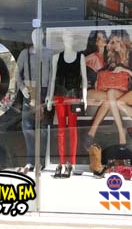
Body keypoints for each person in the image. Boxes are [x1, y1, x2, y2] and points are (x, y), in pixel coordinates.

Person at [86, 29, 132, 147]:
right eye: (113, 42)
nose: (115, 45)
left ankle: (120, 133)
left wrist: (125, 70)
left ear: (124, 41)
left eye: (118, 41)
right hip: (126, 89)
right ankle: (118, 131)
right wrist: (99, 77)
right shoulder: (114, 56)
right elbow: (107, 72)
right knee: (111, 96)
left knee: (113, 100)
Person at [46, 31, 87, 178]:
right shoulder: (56, 57)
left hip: (74, 97)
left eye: (70, 37)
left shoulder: (80, 57)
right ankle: (62, 162)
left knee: (72, 130)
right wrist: (50, 97)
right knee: (61, 130)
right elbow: (52, 79)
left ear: (73, 40)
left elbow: (84, 79)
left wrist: (85, 97)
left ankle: (72, 162)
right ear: (62, 40)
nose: (67, 40)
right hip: (59, 97)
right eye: (65, 38)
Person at [16, 28, 52, 173]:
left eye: (39, 35)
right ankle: (30, 160)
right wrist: (22, 88)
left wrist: (49, 94)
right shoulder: (24, 54)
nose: (36, 38)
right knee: (27, 126)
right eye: (33, 35)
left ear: (43, 36)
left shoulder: (49, 53)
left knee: (42, 127)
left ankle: (41, 161)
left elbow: (52, 76)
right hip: (29, 91)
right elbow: (16, 72)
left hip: (43, 91)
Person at [84, 30, 108, 107]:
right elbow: (77, 64)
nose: (103, 39)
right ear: (96, 42)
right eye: (99, 38)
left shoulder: (108, 57)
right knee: (110, 98)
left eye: (103, 37)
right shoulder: (93, 56)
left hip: (103, 90)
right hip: (91, 90)